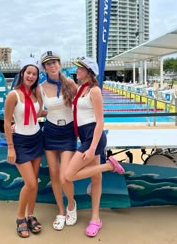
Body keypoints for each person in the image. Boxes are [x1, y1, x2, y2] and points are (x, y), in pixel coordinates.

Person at [64, 57, 125, 238]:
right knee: (96, 178)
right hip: (85, 136)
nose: (76, 71)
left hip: (94, 138)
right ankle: (96, 219)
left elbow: (100, 122)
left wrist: (91, 149)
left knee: (68, 175)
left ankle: (110, 166)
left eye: (80, 69)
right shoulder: (82, 89)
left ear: (88, 71)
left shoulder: (95, 91)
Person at [4, 57, 43, 238]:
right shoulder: (14, 95)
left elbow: (40, 112)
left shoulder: (36, 94)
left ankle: (30, 215)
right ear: (22, 74)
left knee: (34, 184)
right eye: (28, 73)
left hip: (36, 138)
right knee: (30, 183)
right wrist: (11, 147)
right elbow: (6, 121)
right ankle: (20, 218)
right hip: (21, 141)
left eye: (34, 74)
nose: (31, 76)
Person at [39, 50, 78, 230]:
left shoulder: (70, 83)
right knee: (54, 174)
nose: (52, 65)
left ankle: (71, 205)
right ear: (44, 68)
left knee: (64, 176)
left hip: (68, 133)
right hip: (51, 132)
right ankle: (61, 211)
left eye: (55, 62)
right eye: (48, 63)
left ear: (60, 64)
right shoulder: (40, 88)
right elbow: (39, 111)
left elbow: (81, 106)